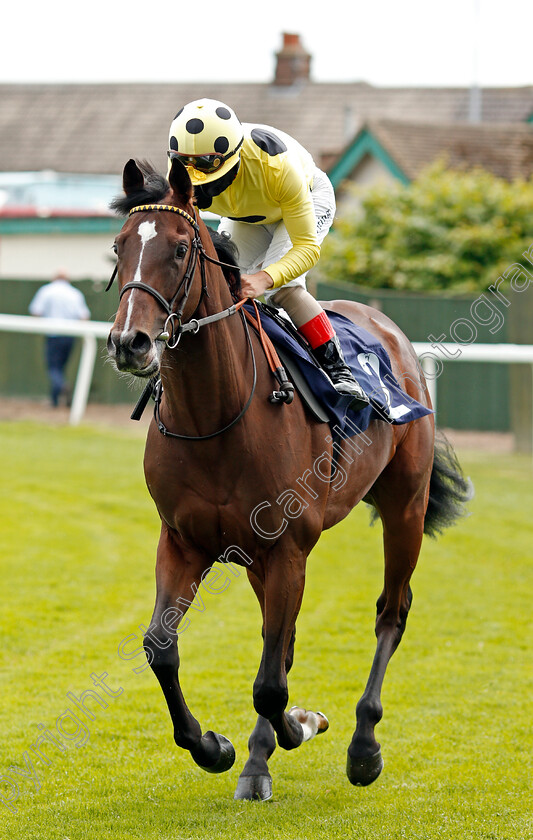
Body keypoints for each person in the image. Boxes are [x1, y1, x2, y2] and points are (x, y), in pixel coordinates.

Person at [167, 99, 369, 409]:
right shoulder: (182, 165)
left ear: (231, 156)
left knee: (283, 288)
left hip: (305, 200)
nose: (197, 179)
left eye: (208, 166)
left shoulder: (277, 167)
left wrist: (264, 278)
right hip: (245, 217)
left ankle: (339, 371)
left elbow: (306, 249)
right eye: (187, 166)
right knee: (219, 282)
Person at [29, 270, 90, 407]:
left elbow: (36, 311)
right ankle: (55, 400)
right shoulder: (75, 293)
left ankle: (61, 387)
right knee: (61, 367)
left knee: (54, 368)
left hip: (53, 334)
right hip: (70, 335)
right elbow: (84, 316)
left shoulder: (46, 290)